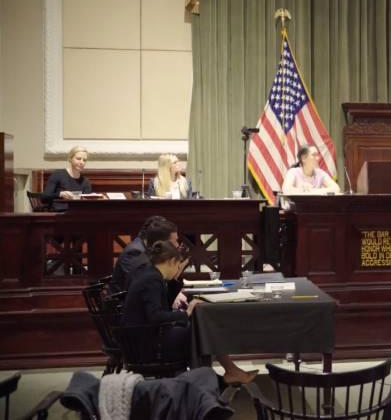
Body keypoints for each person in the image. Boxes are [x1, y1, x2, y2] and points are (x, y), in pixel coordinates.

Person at [122, 240, 257, 385]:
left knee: (201, 330)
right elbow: (156, 316)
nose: (179, 269)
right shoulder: (152, 279)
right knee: (202, 332)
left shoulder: (150, 274)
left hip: (145, 337)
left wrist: (175, 279)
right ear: (172, 261)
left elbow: (163, 308)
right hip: (147, 344)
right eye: (179, 266)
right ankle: (209, 382)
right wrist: (187, 313)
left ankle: (218, 377)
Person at [110, 216, 186, 316]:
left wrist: (175, 277)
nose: (177, 245)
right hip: (137, 320)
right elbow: (154, 311)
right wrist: (185, 314)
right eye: (175, 241)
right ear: (161, 243)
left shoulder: (148, 258)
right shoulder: (142, 261)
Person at [43, 146, 92, 211]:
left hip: (78, 215)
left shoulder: (85, 181)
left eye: (84, 160)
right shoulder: (58, 174)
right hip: (58, 215)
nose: (82, 162)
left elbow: (87, 205)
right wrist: (60, 194)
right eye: (78, 159)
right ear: (70, 159)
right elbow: (44, 198)